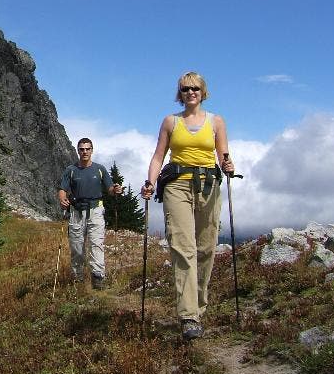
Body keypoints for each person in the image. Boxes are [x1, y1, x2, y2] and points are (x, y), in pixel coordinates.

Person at [140, 72, 234, 340]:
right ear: (179, 93)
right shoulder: (171, 122)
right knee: (183, 247)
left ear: (203, 91)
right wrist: (150, 181)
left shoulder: (216, 122)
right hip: (177, 185)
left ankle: (198, 305)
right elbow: (159, 156)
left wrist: (228, 165)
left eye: (195, 88)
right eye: (185, 88)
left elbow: (223, 153)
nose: (190, 92)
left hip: (208, 185)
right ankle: (189, 315)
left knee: (206, 248)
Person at [58, 137, 123, 290]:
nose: (84, 152)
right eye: (82, 149)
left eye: (87, 149)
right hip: (76, 211)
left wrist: (116, 189)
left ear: (92, 150)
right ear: (78, 151)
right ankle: (78, 280)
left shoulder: (100, 169)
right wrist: (62, 199)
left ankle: (98, 279)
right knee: (77, 248)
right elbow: (62, 189)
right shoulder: (71, 170)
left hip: (96, 210)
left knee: (96, 245)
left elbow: (109, 188)